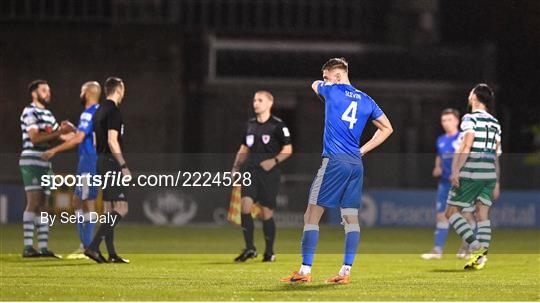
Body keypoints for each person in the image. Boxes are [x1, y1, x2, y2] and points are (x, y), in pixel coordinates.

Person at [281, 58, 393, 283]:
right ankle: (345, 272)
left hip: (334, 161)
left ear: (338, 76)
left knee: (311, 215)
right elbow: (387, 128)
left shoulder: (331, 91)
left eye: (327, 76)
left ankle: (304, 271)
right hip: (355, 163)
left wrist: (324, 83)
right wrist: (362, 150)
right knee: (351, 217)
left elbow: (313, 85)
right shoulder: (367, 100)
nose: (324, 81)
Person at [231, 91, 293, 262]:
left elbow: (288, 149)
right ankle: (250, 248)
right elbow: (244, 148)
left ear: (269, 103)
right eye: (254, 100)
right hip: (250, 171)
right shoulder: (250, 125)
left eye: (260, 100)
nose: (256, 103)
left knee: (266, 213)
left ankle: (269, 251)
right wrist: (236, 167)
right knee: (245, 207)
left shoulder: (278, 125)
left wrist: (273, 161)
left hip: (269, 173)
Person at [42, 81, 102, 258]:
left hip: (89, 161)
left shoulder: (89, 113)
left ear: (88, 93)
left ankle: (88, 246)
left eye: (82, 90)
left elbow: (78, 139)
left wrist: (54, 149)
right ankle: (87, 245)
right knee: (78, 200)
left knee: (86, 201)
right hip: (93, 160)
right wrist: (62, 132)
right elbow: (83, 137)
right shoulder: (100, 112)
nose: (80, 94)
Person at [446, 83, 501, 270]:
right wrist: (497, 181)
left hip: (472, 172)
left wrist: (456, 170)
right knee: (482, 215)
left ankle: (476, 247)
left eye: (471, 93)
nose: (469, 95)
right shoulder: (495, 123)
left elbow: (466, 146)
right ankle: (481, 258)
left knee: (451, 212)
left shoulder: (470, 119)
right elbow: (495, 154)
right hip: (489, 174)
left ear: (475, 97)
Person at [19, 79, 76, 258]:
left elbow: (63, 137)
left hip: (45, 162)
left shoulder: (48, 114)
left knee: (44, 205)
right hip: (32, 160)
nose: (48, 93)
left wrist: (80, 134)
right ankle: (28, 247)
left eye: (49, 90)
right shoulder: (30, 111)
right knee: (34, 202)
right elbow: (35, 138)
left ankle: (43, 248)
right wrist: (61, 131)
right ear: (34, 93)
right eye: (44, 90)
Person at [84, 77, 130, 264]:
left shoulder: (98, 111)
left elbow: (96, 141)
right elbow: (112, 141)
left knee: (108, 209)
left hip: (100, 161)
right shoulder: (114, 111)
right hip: (111, 161)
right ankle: (94, 246)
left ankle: (111, 254)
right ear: (119, 89)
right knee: (121, 208)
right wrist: (123, 166)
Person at [421, 108, 476, 260]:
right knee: (441, 216)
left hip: (462, 183)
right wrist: (437, 166)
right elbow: (440, 156)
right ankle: (437, 250)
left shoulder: (464, 138)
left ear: (457, 121)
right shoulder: (441, 140)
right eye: (444, 120)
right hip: (444, 183)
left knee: (467, 216)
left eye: (449, 120)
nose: (446, 123)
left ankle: (469, 247)